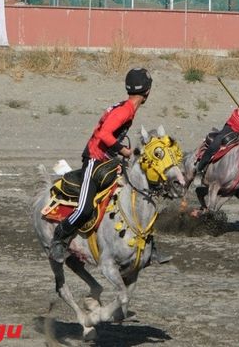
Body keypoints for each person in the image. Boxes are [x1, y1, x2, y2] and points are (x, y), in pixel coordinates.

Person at [49, 67, 170, 265]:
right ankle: (58, 240)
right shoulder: (125, 110)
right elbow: (104, 134)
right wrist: (124, 151)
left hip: (109, 161)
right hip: (94, 161)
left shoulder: (127, 108)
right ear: (147, 91)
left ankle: (151, 248)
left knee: (138, 198)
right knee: (85, 209)